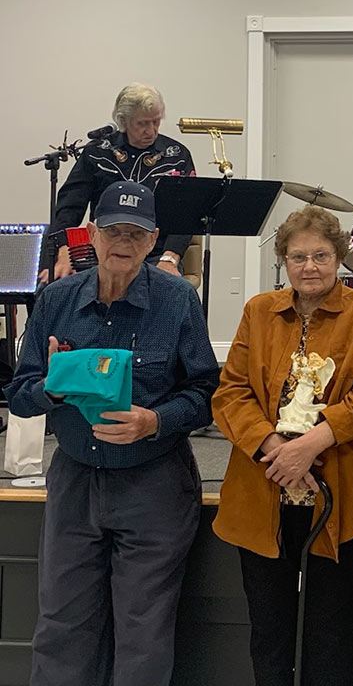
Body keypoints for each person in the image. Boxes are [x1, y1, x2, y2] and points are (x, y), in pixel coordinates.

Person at [3, 181, 219, 686]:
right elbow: (19, 392)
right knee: (61, 626)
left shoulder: (177, 300)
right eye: (112, 231)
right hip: (75, 482)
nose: (122, 242)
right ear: (92, 236)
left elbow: (207, 391)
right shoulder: (54, 300)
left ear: (153, 241)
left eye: (135, 233)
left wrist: (155, 420)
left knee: (144, 634)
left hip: (154, 483)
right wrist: (52, 391)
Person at [211, 205, 353, 686]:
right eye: (298, 256)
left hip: (345, 495)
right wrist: (275, 447)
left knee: (335, 637)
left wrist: (316, 440)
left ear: (339, 257)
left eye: (321, 255)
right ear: (283, 260)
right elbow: (230, 393)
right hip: (266, 491)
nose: (310, 267)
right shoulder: (258, 311)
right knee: (270, 635)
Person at [43, 82, 195, 281]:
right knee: (51, 287)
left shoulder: (177, 156)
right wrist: (63, 252)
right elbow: (69, 207)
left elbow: (188, 215)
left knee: (165, 292)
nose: (151, 131)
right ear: (123, 120)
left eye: (156, 122)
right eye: (142, 123)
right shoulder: (98, 151)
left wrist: (170, 258)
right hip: (101, 253)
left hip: (155, 254)